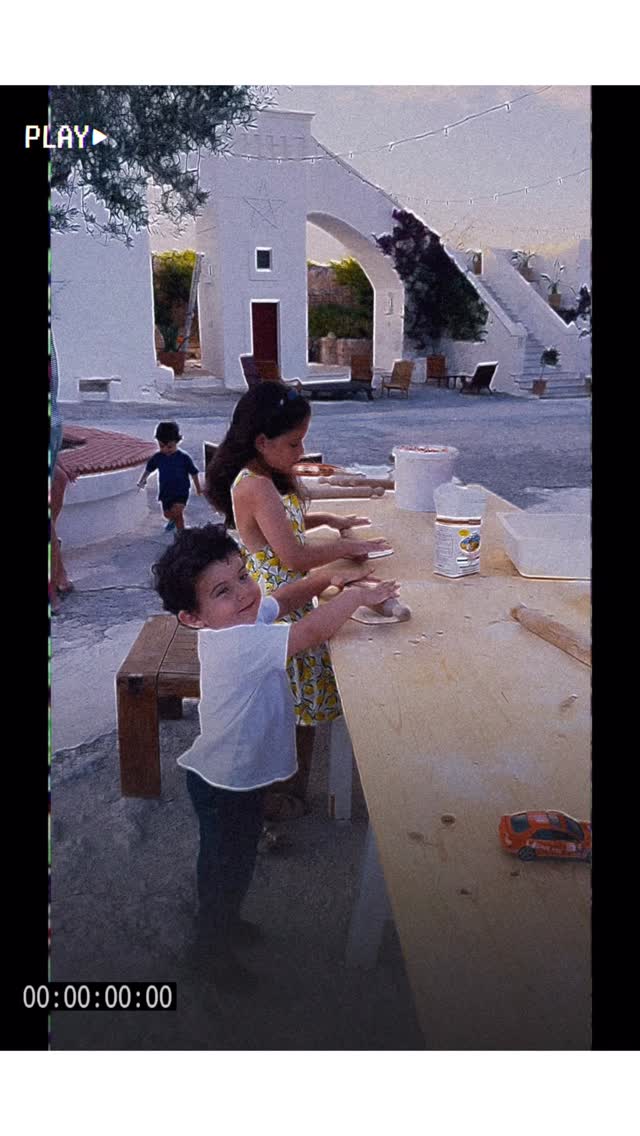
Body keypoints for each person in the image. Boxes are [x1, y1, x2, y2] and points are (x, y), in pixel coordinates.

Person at [152, 522, 398, 991]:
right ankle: (210, 952)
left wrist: (324, 579)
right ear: (193, 617)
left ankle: (222, 922)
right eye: (223, 591)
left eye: (242, 575)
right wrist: (355, 597)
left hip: (231, 780)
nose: (244, 593)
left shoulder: (238, 621)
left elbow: (280, 601)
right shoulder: (237, 643)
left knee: (230, 862)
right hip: (226, 786)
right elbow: (310, 630)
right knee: (228, 868)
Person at [205, 383, 391, 822]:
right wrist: (351, 548)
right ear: (262, 441)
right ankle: (281, 795)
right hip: (276, 600)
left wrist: (330, 519)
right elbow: (292, 555)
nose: (301, 451)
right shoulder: (253, 485)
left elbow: (284, 522)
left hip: (290, 591)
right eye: (293, 443)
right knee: (292, 706)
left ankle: (292, 785)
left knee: (297, 702)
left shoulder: (265, 476)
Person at [138, 421, 202, 532]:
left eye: (170, 446)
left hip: (181, 491)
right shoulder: (158, 457)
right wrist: (142, 480)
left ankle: (182, 533)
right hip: (166, 492)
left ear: (177, 442)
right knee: (167, 514)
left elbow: (194, 473)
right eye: (162, 446)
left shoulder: (184, 458)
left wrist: (198, 488)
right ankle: (172, 520)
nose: (165, 450)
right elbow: (149, 469)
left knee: (177, 511)